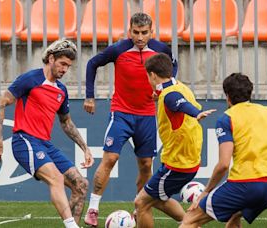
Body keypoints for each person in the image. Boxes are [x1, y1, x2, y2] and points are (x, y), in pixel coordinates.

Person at [83, 12, 178, 227]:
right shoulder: (119, 49)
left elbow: (173, 68)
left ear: (151, 32)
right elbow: (92, 64)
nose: (140, 37)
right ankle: (93, 208)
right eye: (136, 32)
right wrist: (90, 95)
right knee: (110, 159)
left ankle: (139, 208)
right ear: (129, 31)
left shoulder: (161, 50)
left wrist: (164, 90)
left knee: (146, 165)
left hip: (146, 115)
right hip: (121, 112)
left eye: (144, 33)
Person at [0, 39, 95, 228]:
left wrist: (85, 147)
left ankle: (72, 225)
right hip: (24, 140)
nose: (64, 69)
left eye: (68, 66)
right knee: (56, 177)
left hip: (45, 144)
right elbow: (0, 103)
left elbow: (66, 122)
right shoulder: (30, 79)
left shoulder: (61, 91)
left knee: (81, 185)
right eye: (62, 64)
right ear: (51, 58)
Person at [180, 73, 267, 228]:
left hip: (244, 185)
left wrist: (206, 191)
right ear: (250, 93)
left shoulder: (227, 118)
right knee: (234, 219)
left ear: (227, 96)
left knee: (190, 219)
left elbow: (223, 165)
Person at [133, 53, 215, 227]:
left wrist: (195, 112)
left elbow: (178, 103)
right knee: (158, 199)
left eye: (148, 76)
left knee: (141, 203)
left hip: (178, 163)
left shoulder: (169, 94)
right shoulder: (179, 86)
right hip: (185, 159)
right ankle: (191, 223)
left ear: (153, 75)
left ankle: (192, 223)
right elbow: (177, 98)